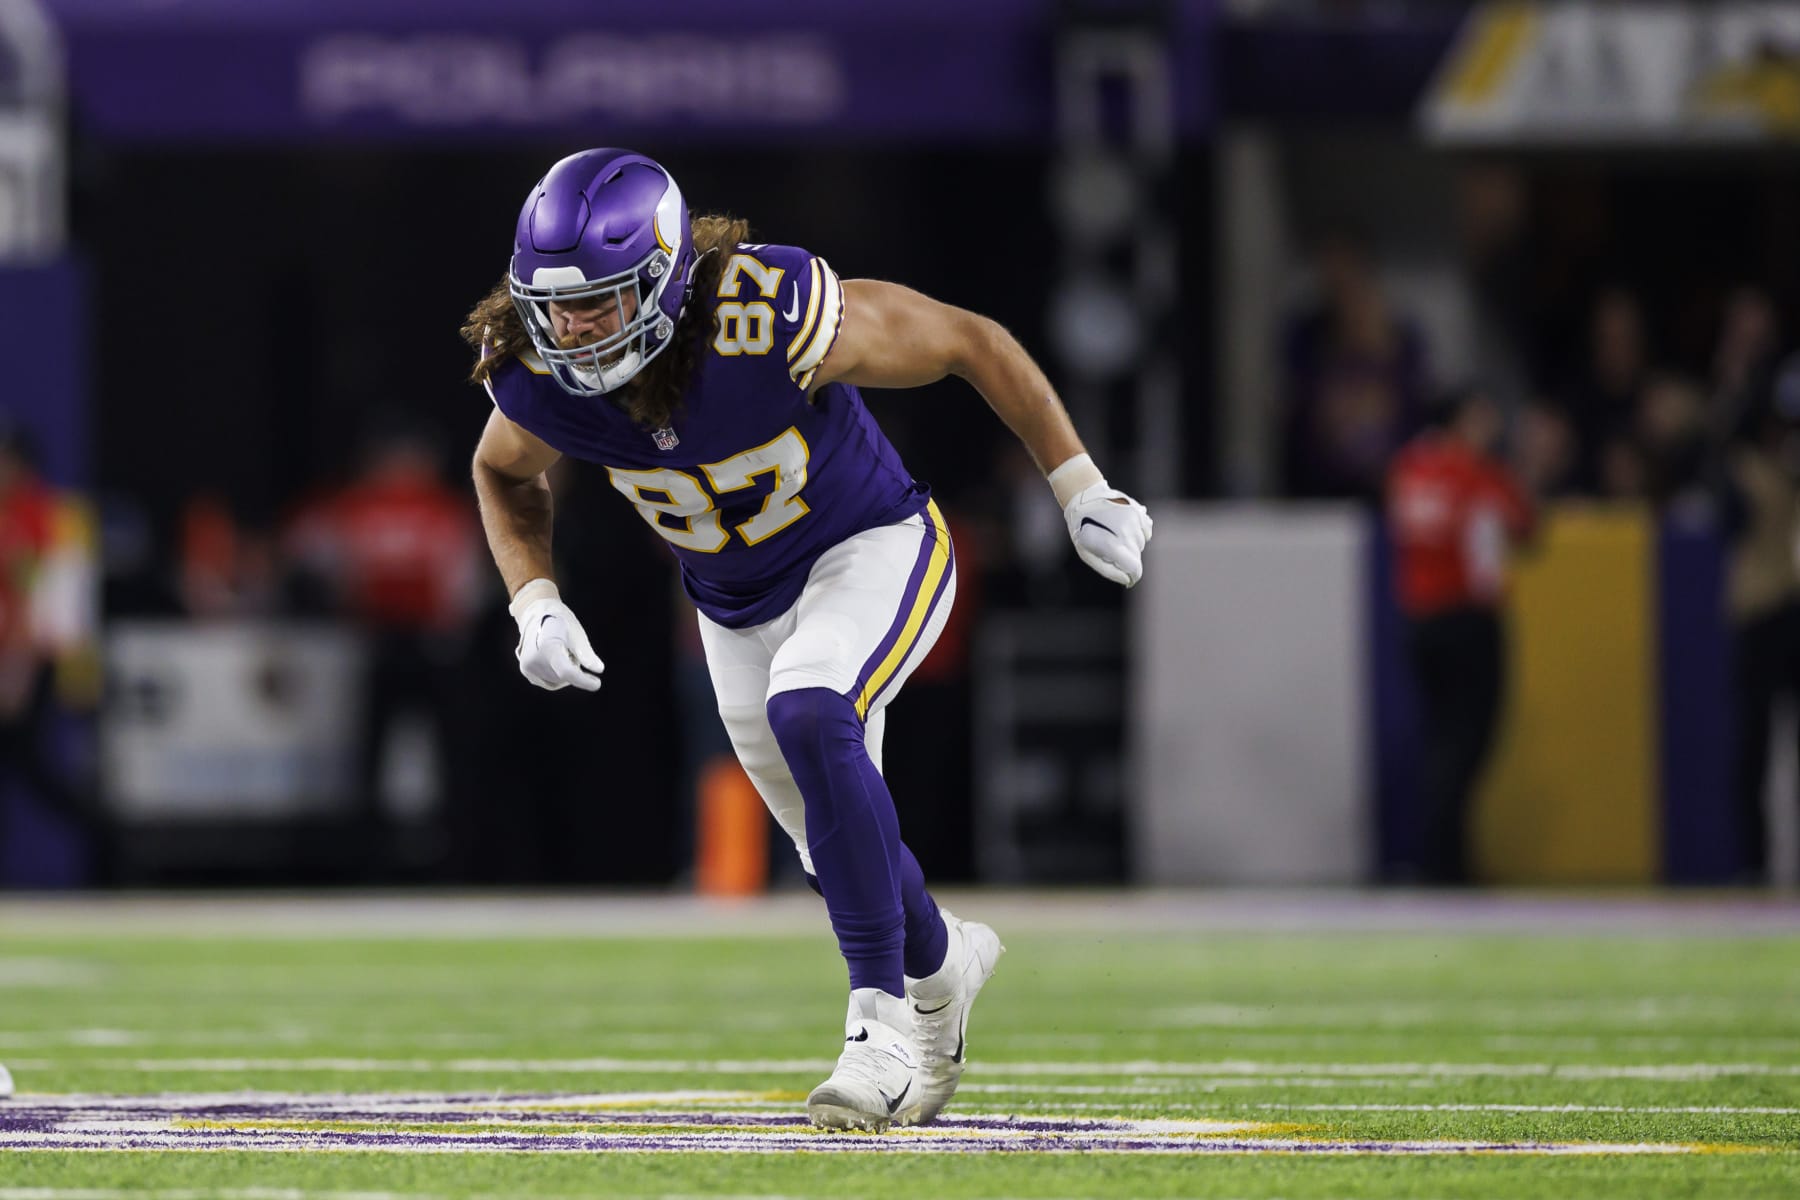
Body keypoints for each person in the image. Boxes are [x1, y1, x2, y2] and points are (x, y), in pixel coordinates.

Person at [460, 149, 1152, 1130]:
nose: (571, 332)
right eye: (556, 308)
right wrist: (533, 597)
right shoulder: (541, 372)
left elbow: (968, 340)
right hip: (733, 606)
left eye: (599, 306)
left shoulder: (762, 316)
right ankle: (945, 966)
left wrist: (1079, 483)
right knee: (841, 845)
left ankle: (881, 1033)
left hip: (870, 545)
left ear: (660, 282)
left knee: (813, 702)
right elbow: (503, 472)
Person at [1386, 386, 1537, 884]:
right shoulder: (1475, 472)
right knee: (1469, 740)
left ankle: (1448, 856)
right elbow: (1526, 525)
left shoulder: (1409, 468)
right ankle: (1442, 860)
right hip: (1467, 619)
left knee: (1441, 741)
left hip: (1420, 621)